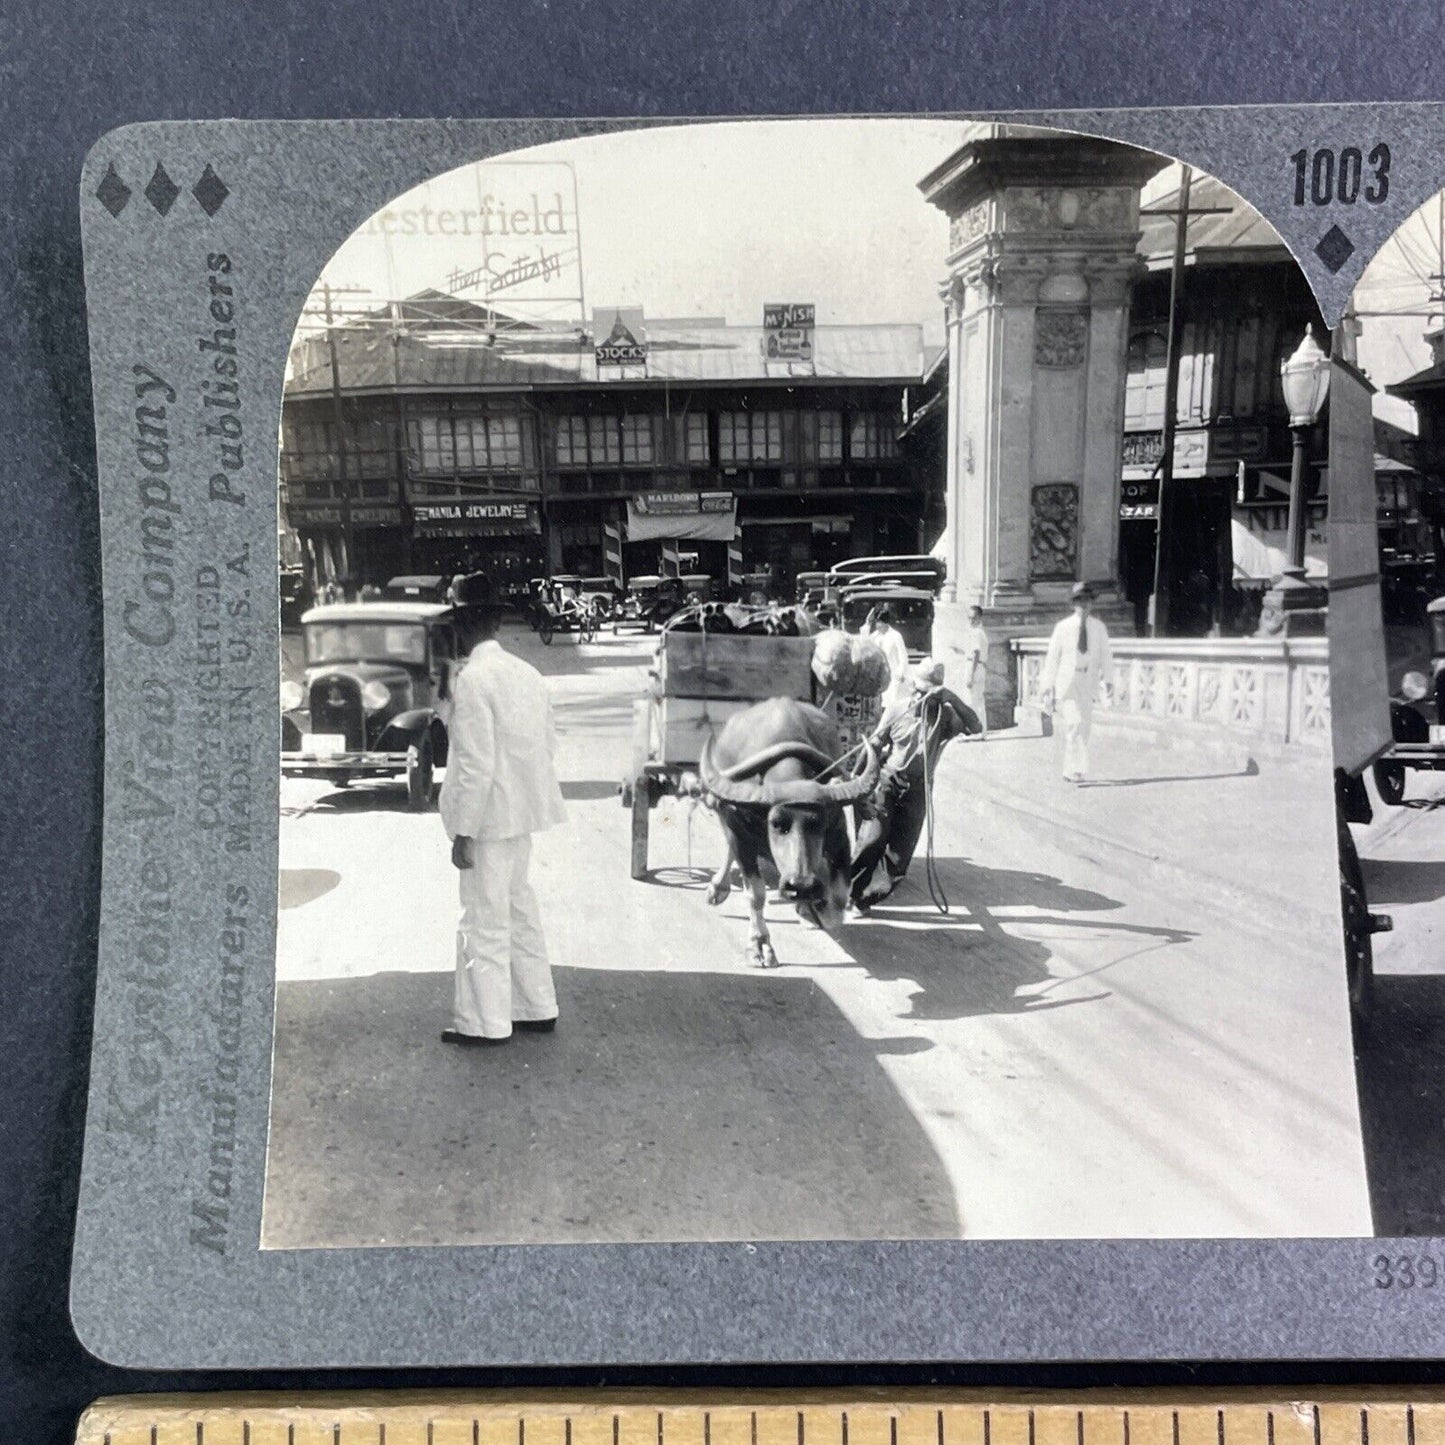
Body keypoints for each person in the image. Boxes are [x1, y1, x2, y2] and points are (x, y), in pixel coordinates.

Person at [439, 573, 567, 1046]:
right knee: (519, 909)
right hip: (522, 815)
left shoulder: (473, 679)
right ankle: (536, 1006)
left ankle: (484, 1023)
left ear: (464, 623)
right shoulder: (527, 673)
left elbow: (474, 763)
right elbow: (547, 745)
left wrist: (463, 831)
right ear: (495, 621)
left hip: (489, 821)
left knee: (482, 919)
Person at [849, 657, 980, 911]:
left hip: (918, 790)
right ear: (912, 687)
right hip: (888, 781)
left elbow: (976, 726)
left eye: (928, 693)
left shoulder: (945, 717)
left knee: (898, 861)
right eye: (918, 690)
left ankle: (867, 898)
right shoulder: (898, 709)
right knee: (872, 839)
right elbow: (874, 745)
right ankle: (848, 892)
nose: (921, 697)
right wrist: (855, 779)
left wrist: (952, 698)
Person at [1038, 581, 1115, 784]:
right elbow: (1052, 658)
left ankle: (1079, 768)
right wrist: (1047, 685)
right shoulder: (1063, 628)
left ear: (1091, 604)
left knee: (1085, 725)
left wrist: (1108, 679)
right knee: (1074, 723)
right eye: (1079, 601)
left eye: (1087, 601)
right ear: (1073, 604)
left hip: (1088, 680)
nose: (1084, 605)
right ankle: (1069, 769)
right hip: (1067, 682)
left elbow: (1106, 655)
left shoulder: (1098, 628)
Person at [866, 604, 911, 711]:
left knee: (891, 704)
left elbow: (903, 656)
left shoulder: (895, 636)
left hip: (892, 677)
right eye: (877, 623)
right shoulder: (874, 636)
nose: (878, 626)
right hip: (877, 676)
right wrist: (867, 623)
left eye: (880, 623)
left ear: (886, 623)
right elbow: (864, 643)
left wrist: (901, 672)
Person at [956, 604, 990, 739]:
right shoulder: (979, 633)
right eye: (969, 618)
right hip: (978, 667)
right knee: (978, 701)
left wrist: (970, 674)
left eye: (974, 618)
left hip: (974, 668)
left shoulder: (976, 633)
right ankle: (981, 731)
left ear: (980, 618)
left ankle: (974, 732)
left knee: (971, 701)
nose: (971, 621)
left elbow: (976, 654)